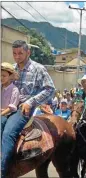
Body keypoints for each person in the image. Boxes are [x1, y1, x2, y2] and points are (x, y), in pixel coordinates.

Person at [1, 40, 55, 178]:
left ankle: (2, 171)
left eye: (20, 53)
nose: (17, 56)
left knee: (8, 133)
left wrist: (30, 102)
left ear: (28, 52)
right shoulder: (11, 69)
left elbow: (50, 89)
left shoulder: (38, 69)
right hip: (7, 106)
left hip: (23, 109)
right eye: (14, 53)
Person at [1, 62, 20, 136]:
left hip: (6, 115)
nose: (1, 78)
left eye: (4, 76)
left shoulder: (14, 90)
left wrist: (1, 114)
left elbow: (12, 107)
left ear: (10, 76)